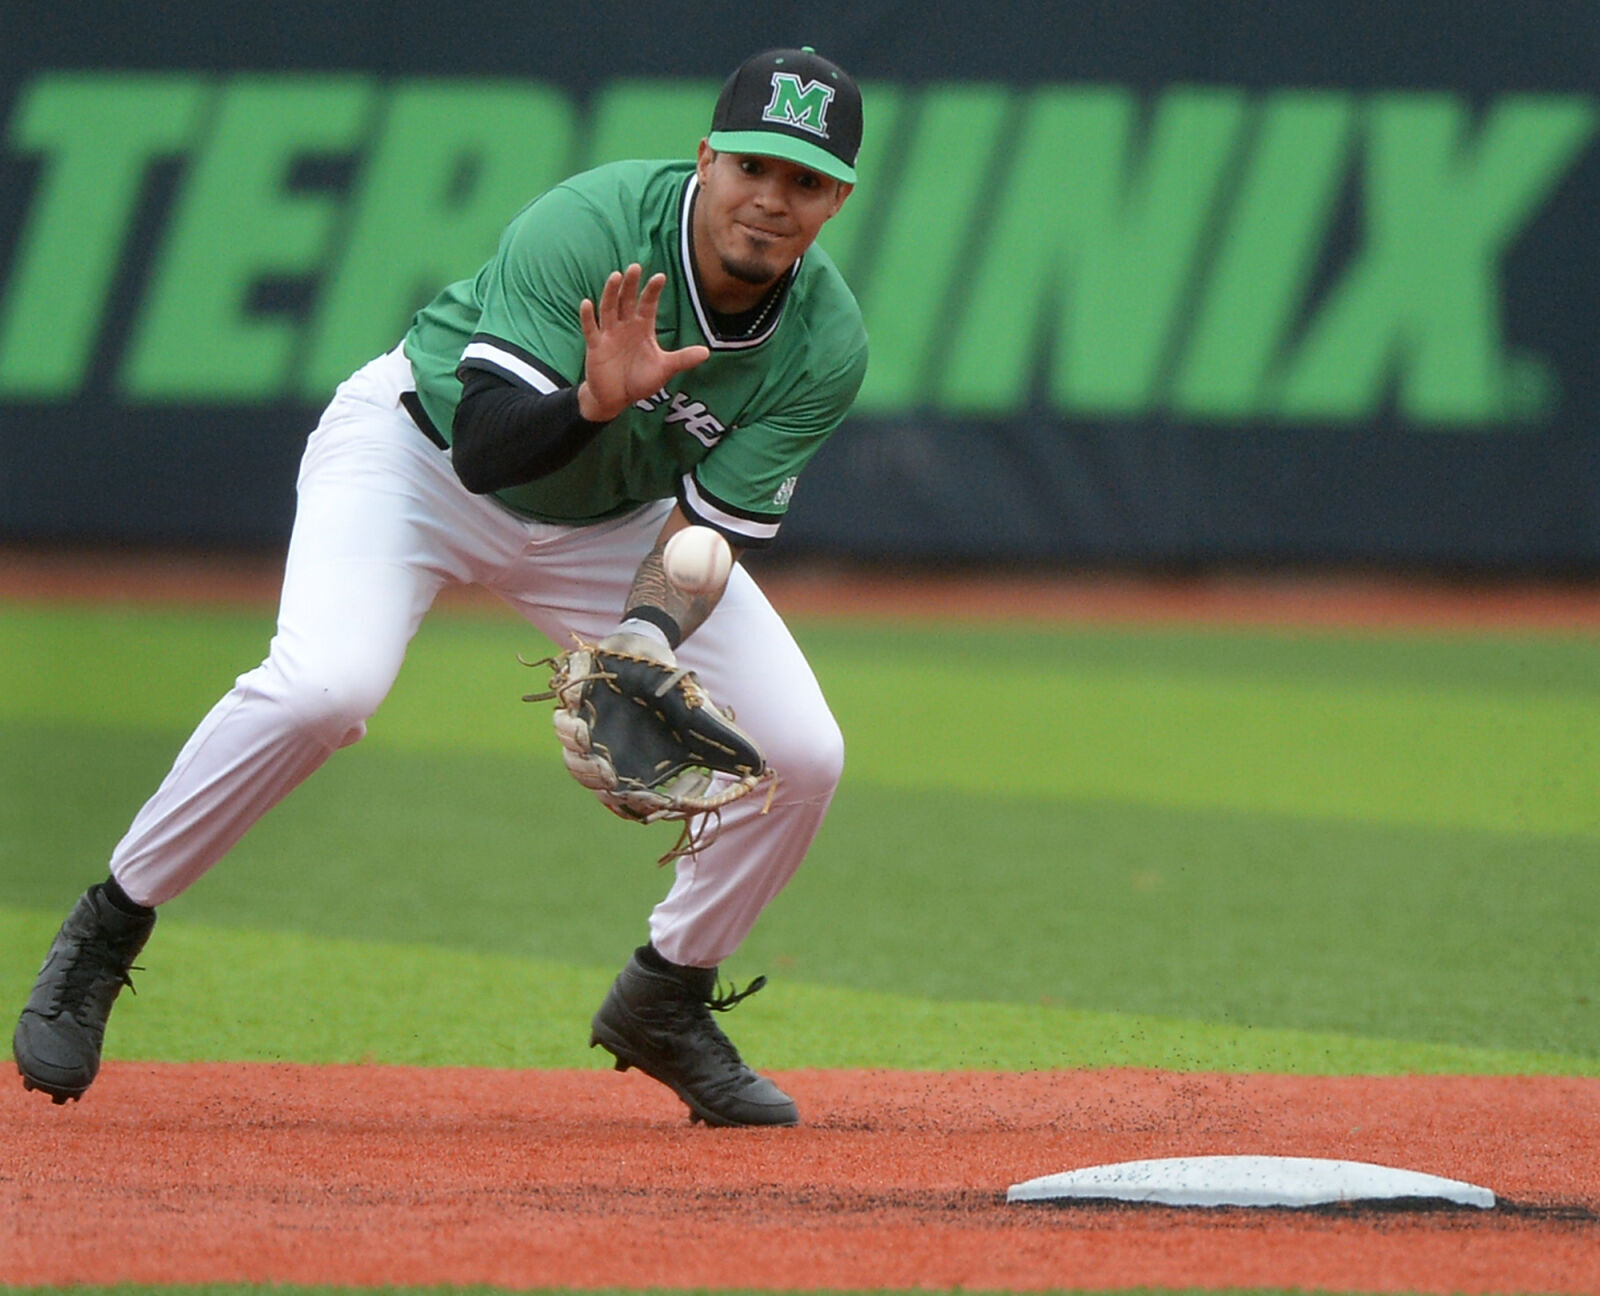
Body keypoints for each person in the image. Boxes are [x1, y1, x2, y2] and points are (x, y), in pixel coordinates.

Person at [12, 47, 867, 1128]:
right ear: (706, 159)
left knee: (802, 753)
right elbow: (486, 453)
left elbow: (708, 529)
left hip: (608, 523)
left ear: (836, 198)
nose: (770, 199)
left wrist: (646, 637)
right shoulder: (592, 226)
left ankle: (667, 994)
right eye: (752, 165)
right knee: (324, 689)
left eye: (802, 180)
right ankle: (108, 923)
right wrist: (594, 408)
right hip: (415, 463)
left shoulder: (825, 344)